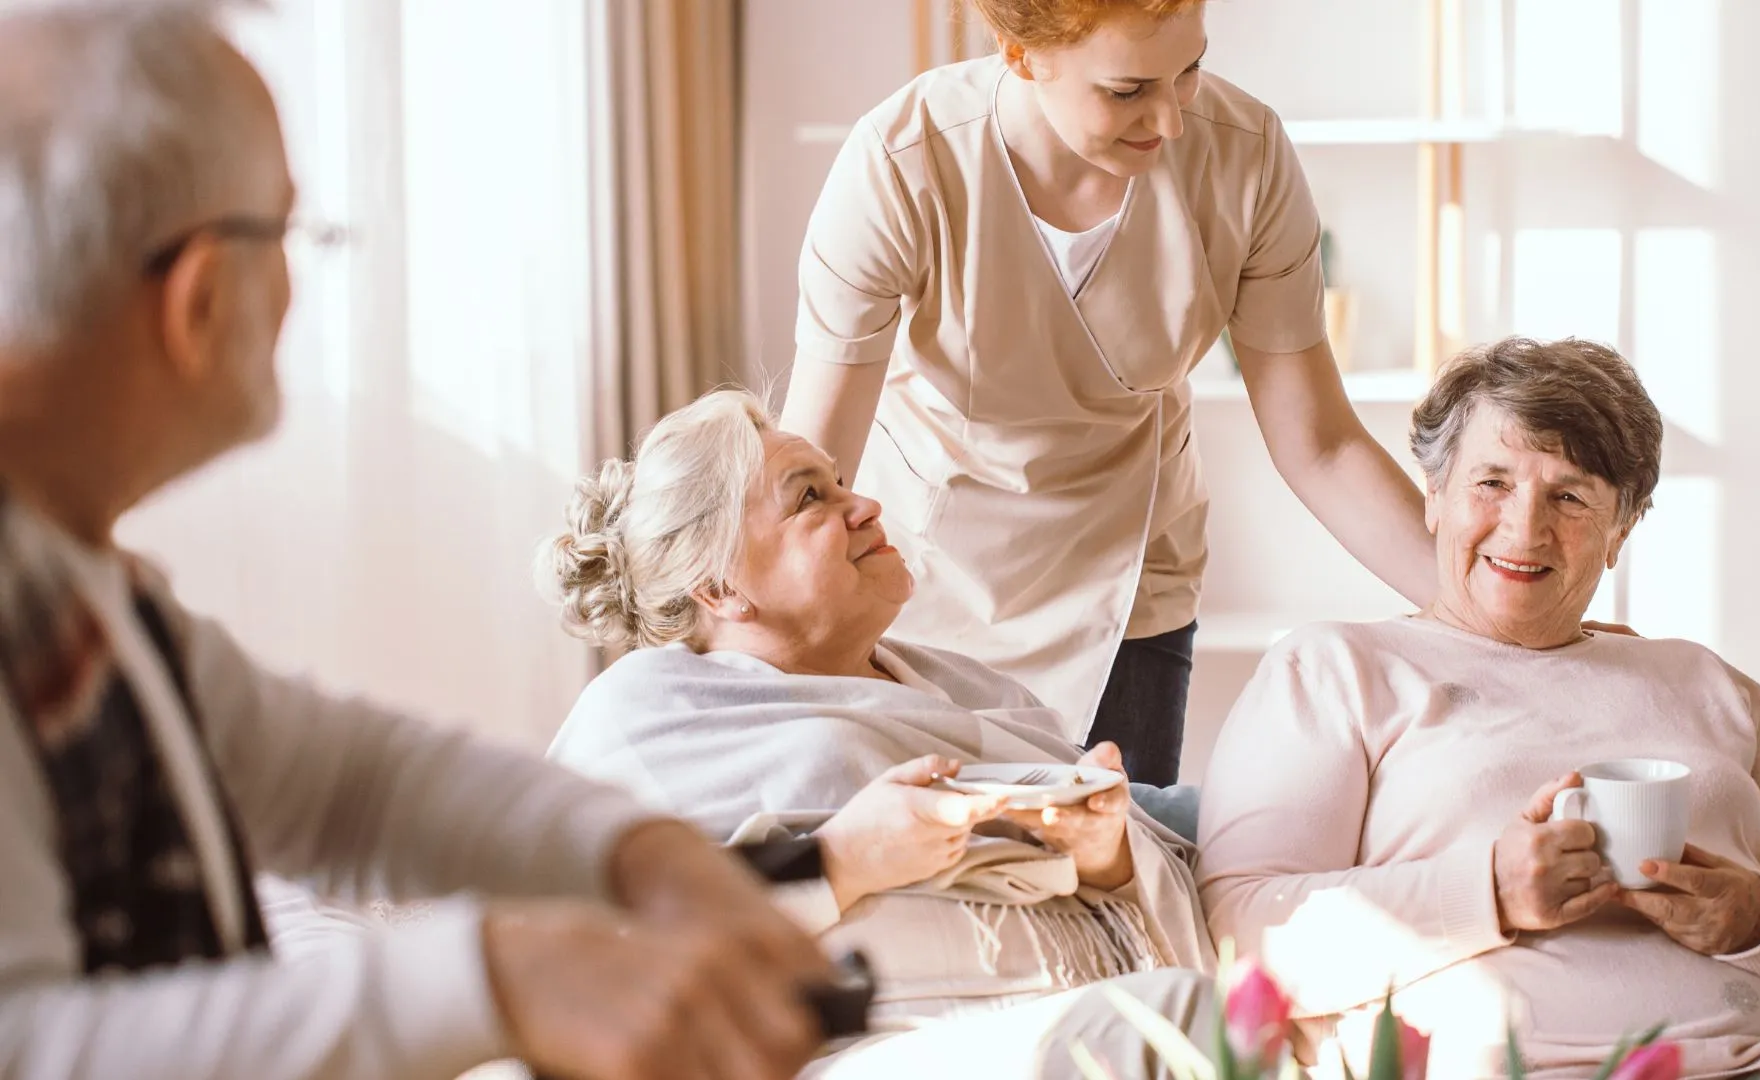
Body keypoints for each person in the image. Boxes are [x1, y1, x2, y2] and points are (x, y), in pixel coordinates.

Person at [0, 5, 829, 1080]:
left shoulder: (87, 592)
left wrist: (646, 856)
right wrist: (495, 978)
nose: (303, 281)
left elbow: (348, 783)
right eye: (289, 233)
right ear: (200, 298)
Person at [1196, 337, 1760, 1078]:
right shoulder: (1337, 669)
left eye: (1570, 497)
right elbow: (1247, 928)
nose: (1524, 528)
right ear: (1435, 496)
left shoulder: (1707, 683)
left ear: (1620, 532)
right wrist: (1490, 892)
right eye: (1492, 483)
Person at [777, 0, 1437, 784]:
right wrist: (756, 664)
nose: (1170, 120)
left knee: (1121, 875)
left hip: (1131, 588)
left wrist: (1479, 607)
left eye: (1188, 70)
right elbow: (818, 464)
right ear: (1022, 54)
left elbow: (1320, 444)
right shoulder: (904, 163)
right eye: (1127, 91)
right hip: (932, 581)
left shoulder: (1245, 156)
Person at [542, 389, 1217, 1079]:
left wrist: (1106, 855)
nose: (864, 506)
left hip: (1083, 991)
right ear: (718, 588)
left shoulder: (963, 686)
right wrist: (845, 857)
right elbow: (592, 943)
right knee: (1171, 1018)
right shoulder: (646, 712)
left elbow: (1151, 868)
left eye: (839, 484)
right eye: (809, 499)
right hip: (859, 1047)